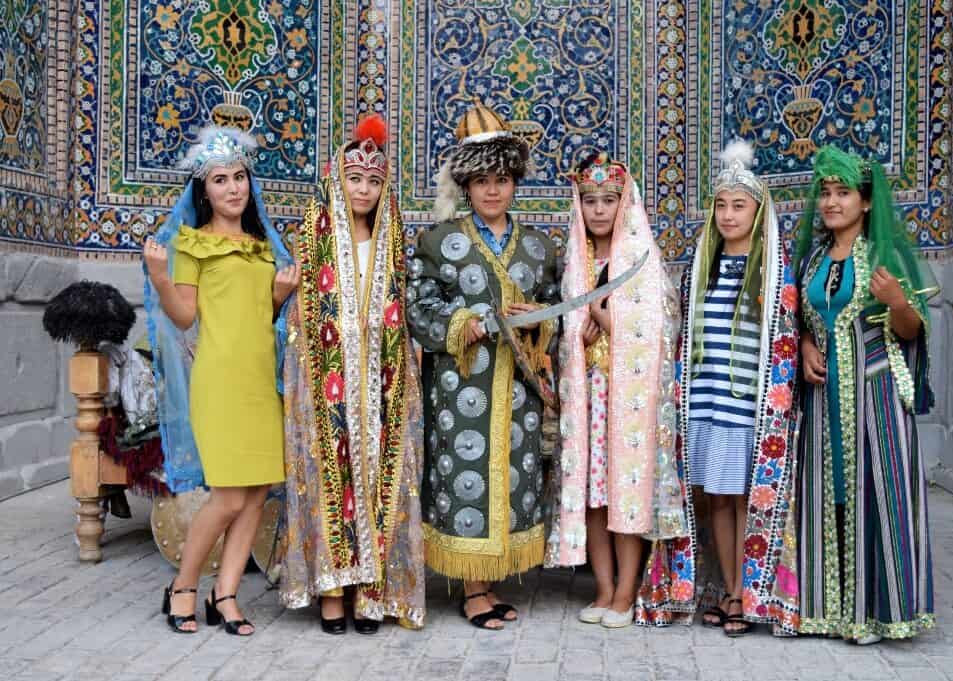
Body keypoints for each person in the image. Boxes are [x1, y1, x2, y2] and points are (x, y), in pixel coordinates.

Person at [635, 141, 800, 636]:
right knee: (718, 501)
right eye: (721, 205)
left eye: (739, 206)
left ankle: (746, 594)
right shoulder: (700, 270)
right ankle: (730, 588)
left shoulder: (773, 271)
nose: (728, 215)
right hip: (706, 403)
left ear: (758, 211)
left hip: (747, 407)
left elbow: (788, 335)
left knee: (749, 498)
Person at [408, 102, 559, 630]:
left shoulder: (540, 248)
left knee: (510, 479)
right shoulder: (437, 242)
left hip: (517, 387)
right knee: (467, 476)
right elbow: (416, 308)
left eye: (502, 180)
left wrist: (537, 321)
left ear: (515, 182)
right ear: (465, 187)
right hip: (461, 385)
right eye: (481, 182)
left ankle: (488, 581)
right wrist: (462, 322)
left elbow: (555, 311)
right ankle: (471, 589)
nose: (492, 191)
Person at [143, 126, 300, 635]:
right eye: (220, 180)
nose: (233, 188)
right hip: (220, 381)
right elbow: (186, 317)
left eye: (239, 177)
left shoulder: (260, 247)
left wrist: (278, 296)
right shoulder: (191, 245)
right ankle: (183, 586)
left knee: (256, 494)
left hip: (260, 382)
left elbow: (261, 318)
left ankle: (225, 594)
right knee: (229, 497)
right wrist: (162, 278)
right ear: (203, 190)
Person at [278, 115, 425, 635]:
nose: (363, 189)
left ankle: (373, 590)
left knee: (381, 483)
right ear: (336, 181)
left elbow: (402, 308)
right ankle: (332, 590)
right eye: (354, 179)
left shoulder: (393, 240)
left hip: (381, 380)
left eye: (374, 180)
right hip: (328, 381)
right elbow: (295, 315)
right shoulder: (309, 239)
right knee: (329, 478)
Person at [795, 145, 937, 644]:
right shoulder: (812, 257)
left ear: (867, 201)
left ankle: (877, 612)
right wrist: (808, 344)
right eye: (826, 193)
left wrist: (898, 301)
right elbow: (804, 318)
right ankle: (828, 608)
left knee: (876, 497)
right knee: (826, 495)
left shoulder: (886, 255)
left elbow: (911, 329)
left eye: (844, 193)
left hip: (873, 398)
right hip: (820, 399)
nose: (832, 203)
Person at [544, 152, 685, 628]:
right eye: (590, 201)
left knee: (627, 490)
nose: (599, 210)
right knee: (594, 495)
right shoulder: (577, 262)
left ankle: (628, 590)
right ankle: (602, 589)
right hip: (589, 398)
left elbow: (661, 324)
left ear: (625, 204)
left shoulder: (641, 259)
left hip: (629, 402)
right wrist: (577, 333)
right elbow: (566, 324)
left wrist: (607, 322)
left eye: (608, 200)